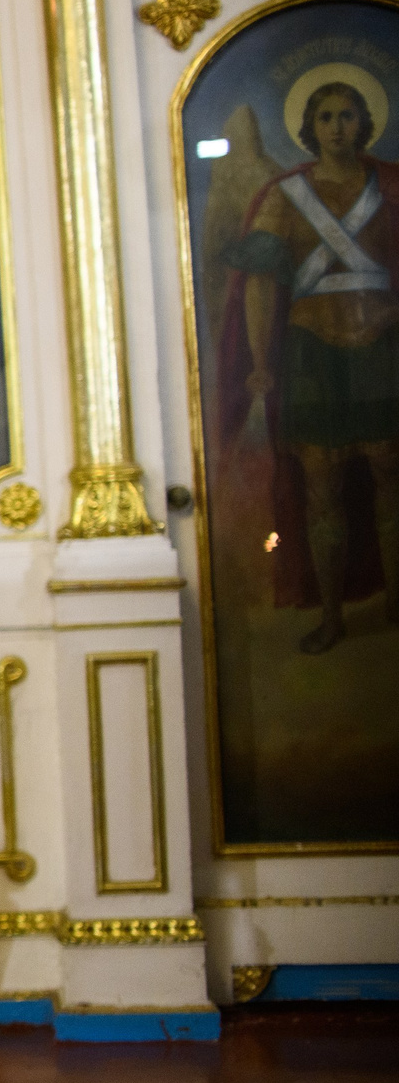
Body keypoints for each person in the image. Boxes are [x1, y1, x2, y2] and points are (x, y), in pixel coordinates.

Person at [221, 79, 399, 654]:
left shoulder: (391, 187)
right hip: (311, 356)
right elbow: (259, 284)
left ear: (364, 122)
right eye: (326, 117)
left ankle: (396, 608)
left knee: (391, 484)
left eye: (348, 115)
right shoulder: (283, 197)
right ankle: (331, 616)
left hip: (382, 352)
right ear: (310, 127)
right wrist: (257, 359)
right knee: (322, 488)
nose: (338, 127)